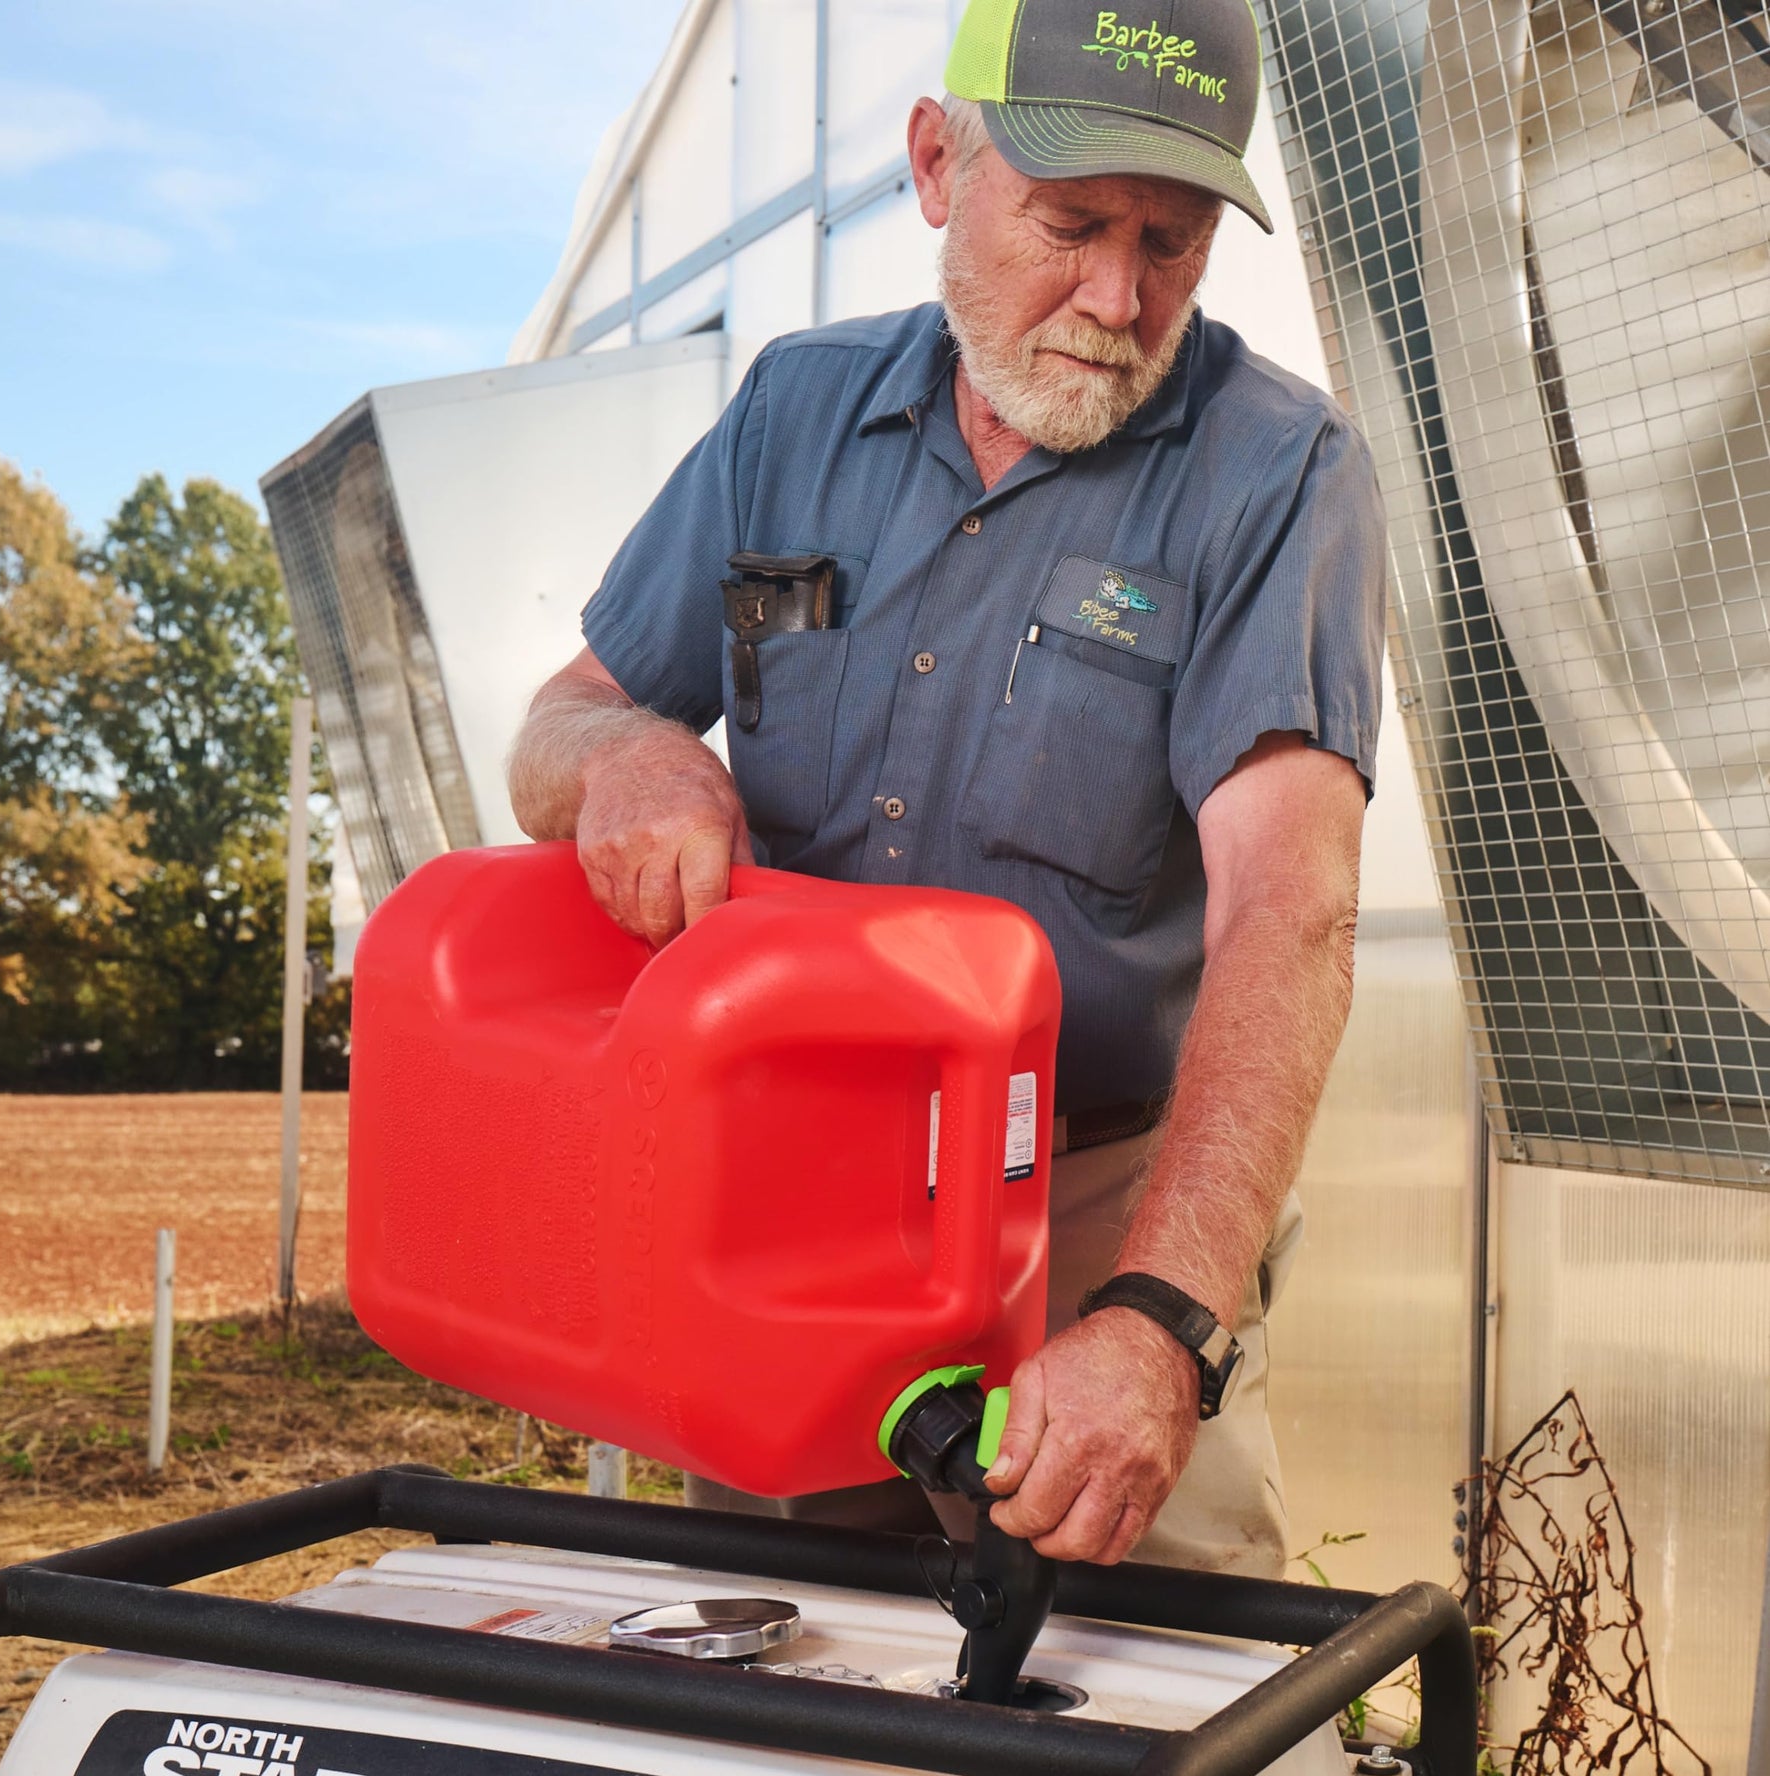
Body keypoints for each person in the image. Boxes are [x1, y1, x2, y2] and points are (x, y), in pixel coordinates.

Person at [508, 0, 1386, 1576]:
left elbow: (1290, 908)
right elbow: (559, 727)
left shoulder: (1279, 472)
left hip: (1095, 1212)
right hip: (795, 1201)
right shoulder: (793, 412)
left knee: (1141, 1723)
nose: (1118, 298)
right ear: (934, 162)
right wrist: (629, 753)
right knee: (783, 1688)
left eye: (1170, 243)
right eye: (1070, 224)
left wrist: (1164, 1320)